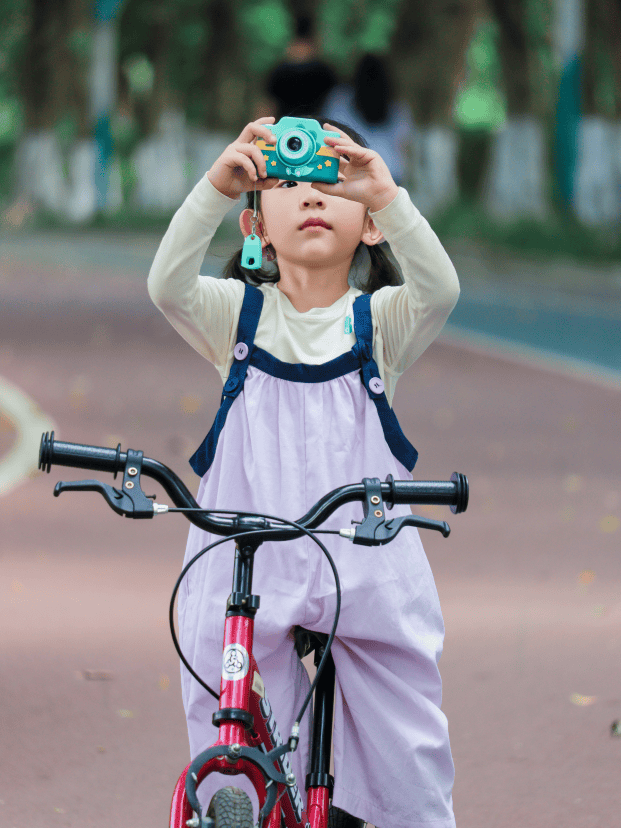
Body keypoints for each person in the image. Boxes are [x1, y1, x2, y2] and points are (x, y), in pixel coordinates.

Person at [147, 115, 460, 828]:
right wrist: (215, 186)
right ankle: (238, 803)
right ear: (254, 224)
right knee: (227, 707)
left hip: (364, 560)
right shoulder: (237, 318)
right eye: (287, 182)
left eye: (329, 183)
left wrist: (385, 192)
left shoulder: (378, 324)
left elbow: (439, 291)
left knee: (407, 742)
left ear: (369, 227)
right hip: (246, 561)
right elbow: (167, 286)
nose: (312, 194)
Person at [323, 53, 416, 188]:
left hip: (352, 173)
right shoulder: (399, 109)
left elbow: (328, 138)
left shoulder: (339, 100)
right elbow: (403, 145)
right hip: (390, 173)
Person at [263, 14, 337, 120]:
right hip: (317, 130)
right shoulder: (326, 71)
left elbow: (267, 107)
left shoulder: (278, 71)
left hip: (284, 130)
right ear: (314, 35)